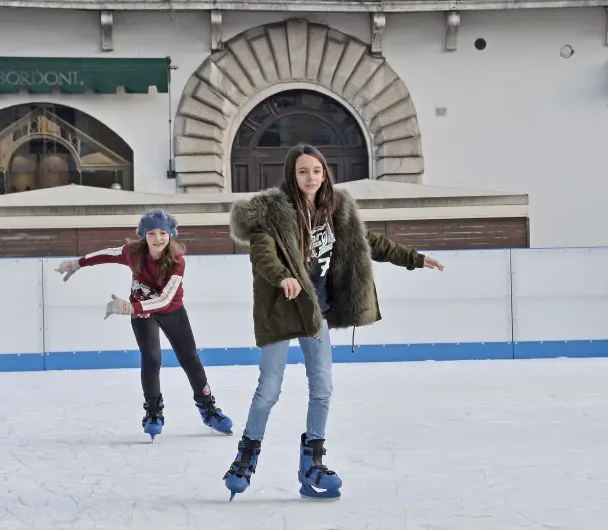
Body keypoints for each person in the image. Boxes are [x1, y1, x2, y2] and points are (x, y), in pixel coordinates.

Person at [222, 144, 445, 501]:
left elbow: (370, 242)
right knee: (269, 390)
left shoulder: (336, 211)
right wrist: (282, 277)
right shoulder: (272, 213)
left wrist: (416, 259)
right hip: (281, 310)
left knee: (322, 389)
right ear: (291, 175)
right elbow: (262, 252)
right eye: (302, 171)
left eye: (316, 171)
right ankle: (245, 457)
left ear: (324, 173)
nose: (310, 178)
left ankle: (312, 462)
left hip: (314, 313)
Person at [54, 209, 233, 441]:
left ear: (171, 234)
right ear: (143, 235)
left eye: (162, 232)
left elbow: (165, 299)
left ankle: (208, 409)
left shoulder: (177, 261)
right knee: (151, 357)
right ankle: (153, 412)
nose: (158, 238)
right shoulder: (133, 253)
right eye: (151, 233)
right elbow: (107, 254)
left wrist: (130, 308)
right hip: (143, 313)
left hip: (171, 310)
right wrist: (77, 263)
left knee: (190, 358)